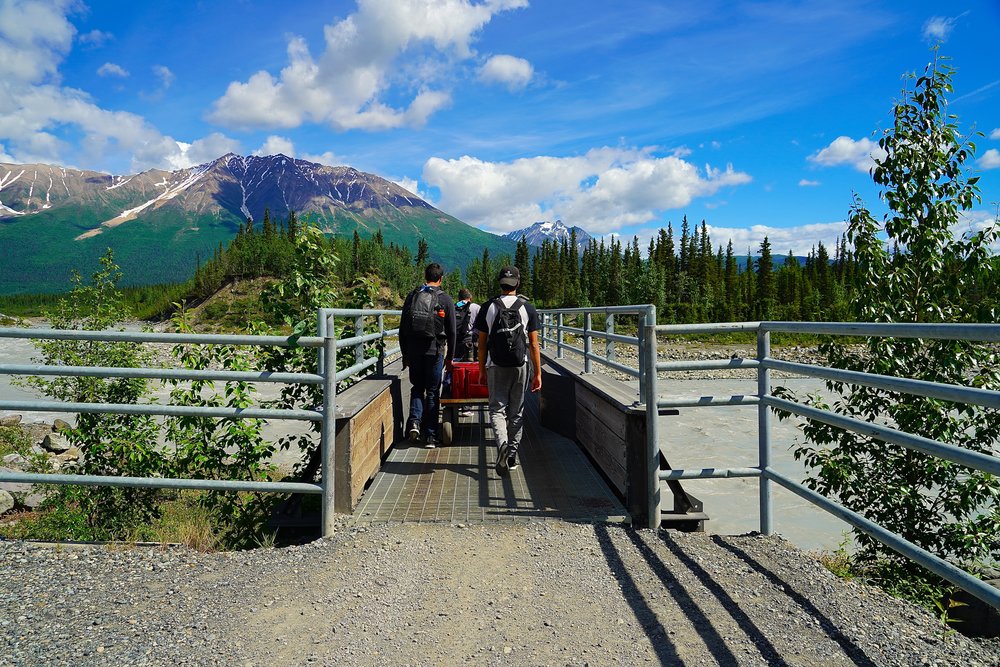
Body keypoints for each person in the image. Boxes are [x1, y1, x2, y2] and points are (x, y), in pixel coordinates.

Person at [475, 265, 542, 477]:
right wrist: (537, 373)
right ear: (517, 284)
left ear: (500, 283)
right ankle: (511, 456)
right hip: (520, 364)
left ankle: (502, 444)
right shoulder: (527, 308)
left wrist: (481, 369)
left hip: (496, 365)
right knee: (517, 411)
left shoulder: (488, 307)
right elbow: (533, 344)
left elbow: (482, 344)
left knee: (497, 409)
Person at [400, 263, 456, 448]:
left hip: (414, 350)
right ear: (441, 278)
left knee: (417, 387)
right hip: (435, 350)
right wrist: (450, 358)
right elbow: (452, 331)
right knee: (432, 392)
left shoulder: (412, 296)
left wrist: (404, 354)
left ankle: (414, 422)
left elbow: (402, 328)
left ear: (425, 276)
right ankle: (431, 436)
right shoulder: (445, 299)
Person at [453, 288, 480, 362]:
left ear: (459, 298)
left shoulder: (454, 306)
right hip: (471, 341)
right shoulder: (476, 307)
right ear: (470, 298)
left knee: (457, 363)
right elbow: (481, 326)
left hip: (456, 340)